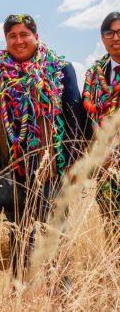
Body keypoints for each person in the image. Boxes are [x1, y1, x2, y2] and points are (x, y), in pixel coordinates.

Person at [0, 14, 86, 282]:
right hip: (13, 170)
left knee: (56, 231)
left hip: (52, 169)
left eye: (24, 34)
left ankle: (62, 291)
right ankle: (23, 291)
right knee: (18, 235)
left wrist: (73, 163)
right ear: (6, 40)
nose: (18, 41)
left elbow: (74, 117)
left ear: (36, 37)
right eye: (12, 36)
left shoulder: (59, 68)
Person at [83, 12, 120, 238]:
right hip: (107, 164)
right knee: (112, 224)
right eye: (110, 32)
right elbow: (87, 119)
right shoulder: (94, 75)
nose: (116, 37)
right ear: (102, 38)